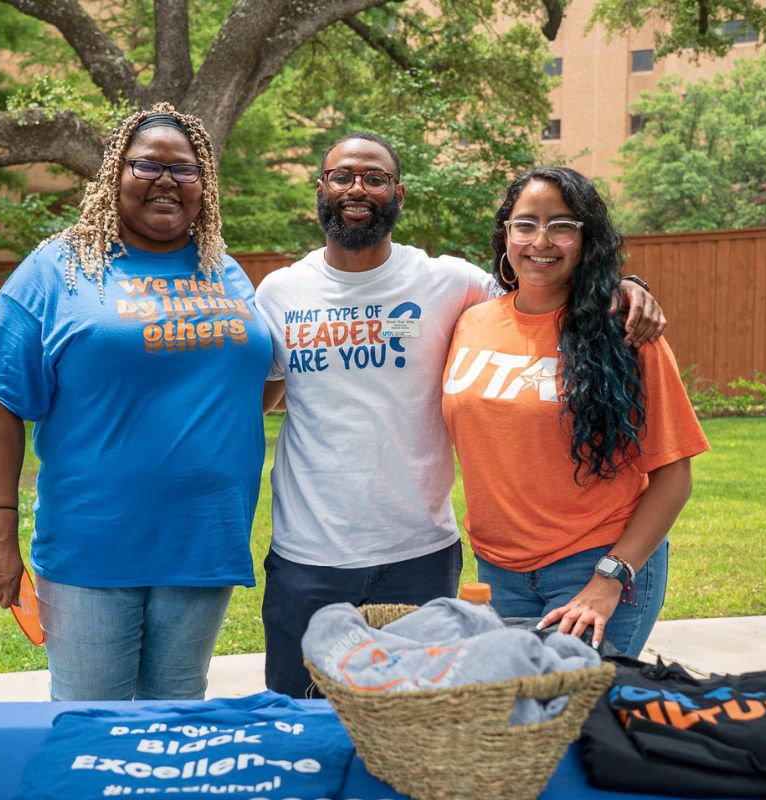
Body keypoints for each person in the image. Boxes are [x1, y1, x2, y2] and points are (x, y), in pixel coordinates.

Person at [254, 133, 666, 697]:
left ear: (397, 193)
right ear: (320, 189)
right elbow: (265, 391)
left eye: (374, 178)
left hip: (421, 553)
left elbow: (545, 286)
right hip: (308, 554)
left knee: (423, 718)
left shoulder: (452, 283)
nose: (358, 188)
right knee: (298, 714)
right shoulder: (278, 291)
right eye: (343, 176)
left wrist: (624, 286)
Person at [0, 103, 272, 701]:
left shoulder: (224, 269)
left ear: (203, 185)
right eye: (147, 165)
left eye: (184, 170)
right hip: (93, 543)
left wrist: (201, 437)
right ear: (114, 174)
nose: (166, 181)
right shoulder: (59, 269)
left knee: (177, 720)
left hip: (203, 538)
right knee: (91, 723)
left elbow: (255, 373)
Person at [442, 166, 710, 657]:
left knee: (583, 723)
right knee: (521, 718)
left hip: (596, 565)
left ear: (587, 240)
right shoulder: (472, 321)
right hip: (497, 572)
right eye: (525, 224)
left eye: (561, 225)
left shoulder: (625, 332)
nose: (540, 240)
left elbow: (675, 476)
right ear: (506, 234)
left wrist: (611, 576)